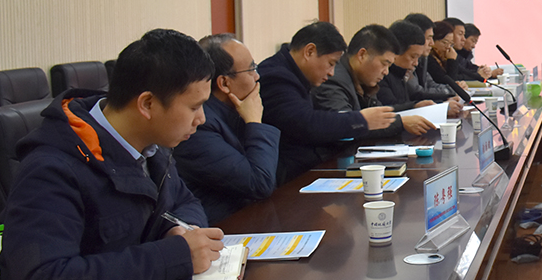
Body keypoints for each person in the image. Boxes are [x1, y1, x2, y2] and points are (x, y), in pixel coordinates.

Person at [0, 29, 224, 280]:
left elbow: (184, 200)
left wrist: (178, 229)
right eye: (195, 106)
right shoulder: (51, 167)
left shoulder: (151, 146)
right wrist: (174, 256)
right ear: (147, 104)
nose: (202, 119)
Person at [259, 21, 396, 184]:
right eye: (330, 64)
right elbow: (307, 123)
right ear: (309, 52)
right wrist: (362, 120)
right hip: (287, 178)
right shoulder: (276, 77)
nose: (331, 73)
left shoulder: (294, 73)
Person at [175, 34, 282, 223]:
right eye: (251, 69)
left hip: (249, 217)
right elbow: (259, 183)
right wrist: (254, 122)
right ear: (224, 83)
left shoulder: (233, 111)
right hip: (222, 226)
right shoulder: (200, 126)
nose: (257, 77)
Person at [314, 23, 435, 137]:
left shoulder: (362, 79)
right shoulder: (334, 79)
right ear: (362, 55)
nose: (386, 72)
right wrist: (400, 123)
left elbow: (378, 113)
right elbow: (346, 126)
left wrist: (414, 107)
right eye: (384, 64)